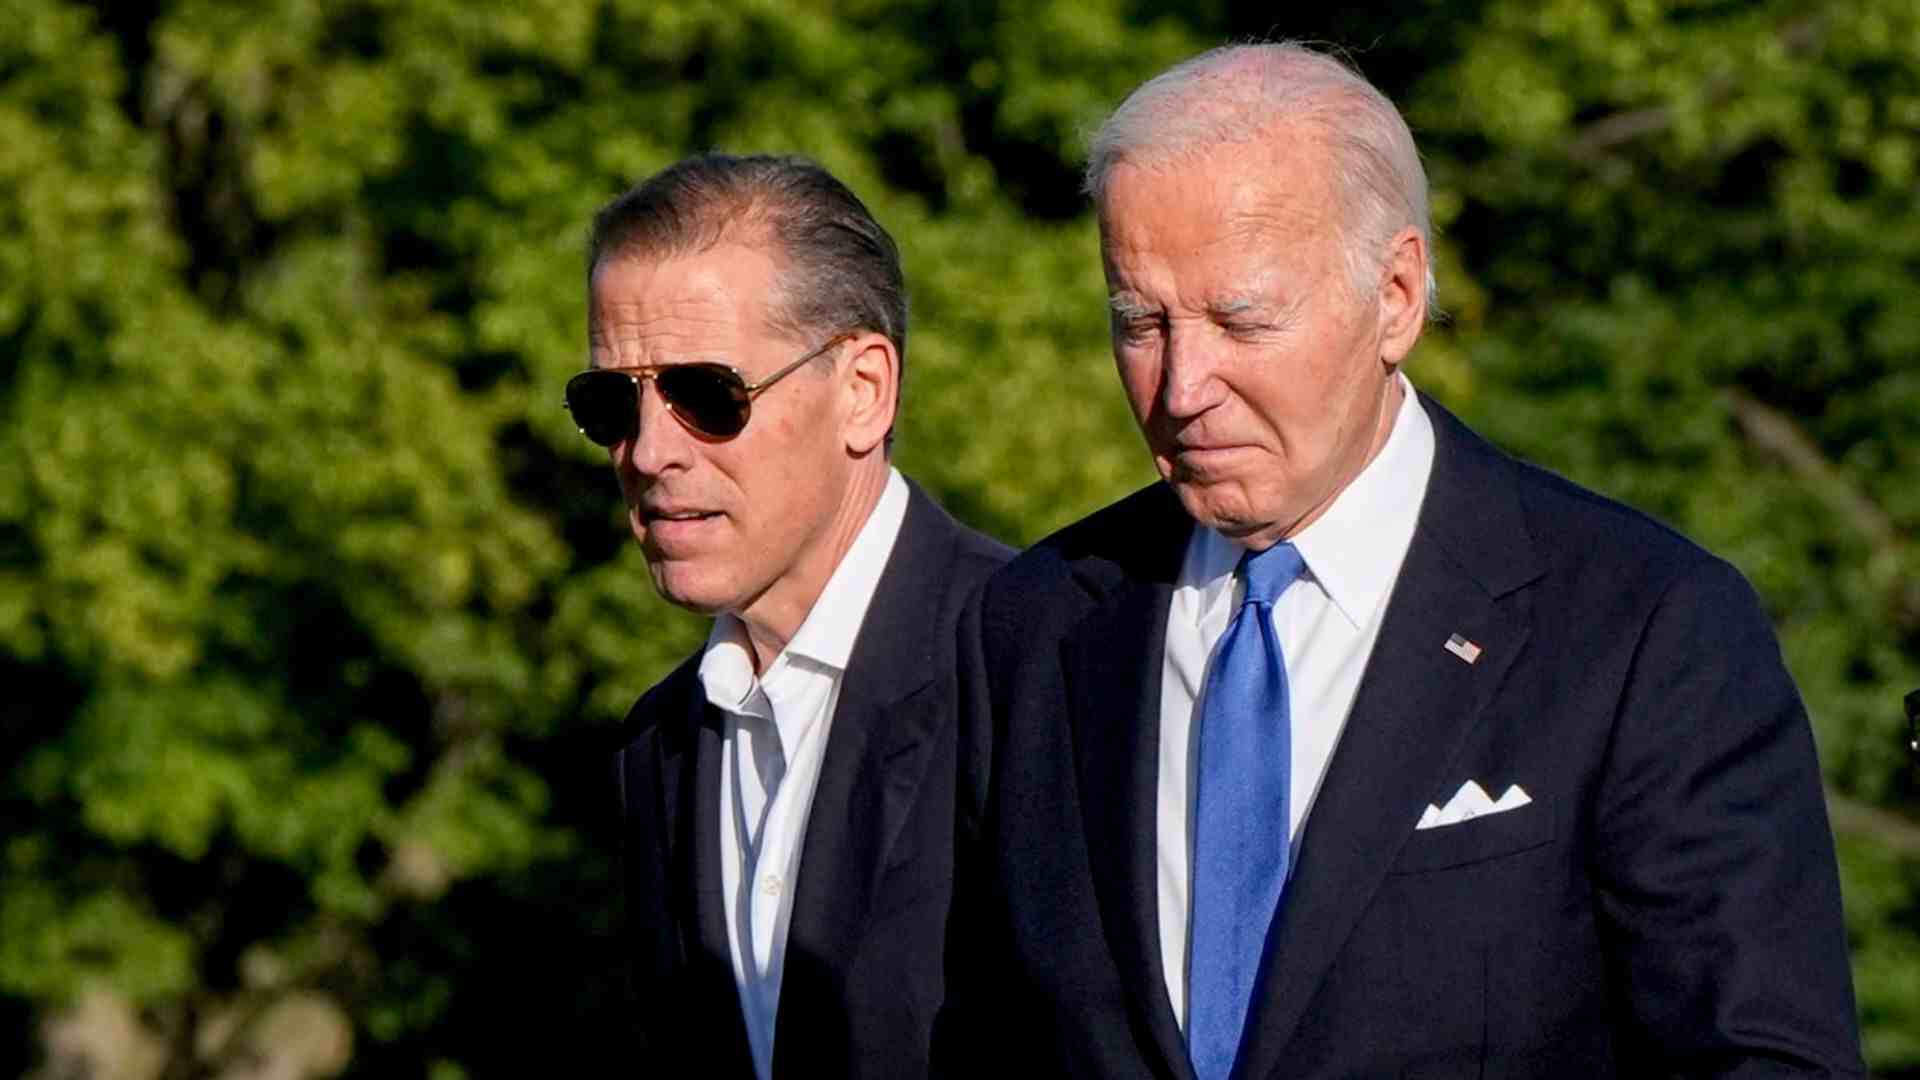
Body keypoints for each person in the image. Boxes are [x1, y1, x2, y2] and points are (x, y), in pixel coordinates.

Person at [940, 44, 1862, 1077]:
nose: (1183, 383)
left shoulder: (1642, 630)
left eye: (1243, 320)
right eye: (1141, 323)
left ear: (1397, 294)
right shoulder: (1033, 626)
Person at [578, 153, 1011, 1080]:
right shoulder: (659, 743)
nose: (650, 451)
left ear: (863, 390)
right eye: (612, 402)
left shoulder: (1040, 668)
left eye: (706, 396)